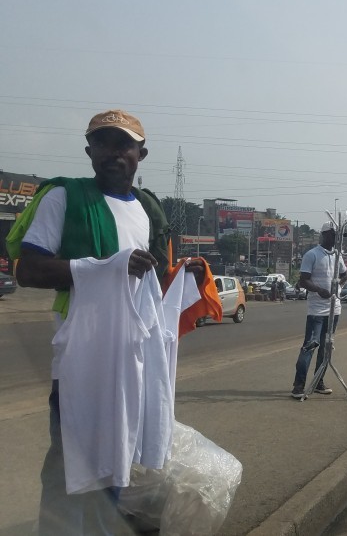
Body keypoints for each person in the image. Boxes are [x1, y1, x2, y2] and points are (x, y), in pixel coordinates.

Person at [11, 109, 205, 535]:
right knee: (70, 467)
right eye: (102, 143)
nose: (113, 152)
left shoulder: (146, 210)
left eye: (123, 144)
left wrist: (179, 279)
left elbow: (145, 281)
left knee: (115, 463)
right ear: (89, 151)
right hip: (81, 355)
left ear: (141, 153)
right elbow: (28, 270)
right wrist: (107, 267)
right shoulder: (64, 197)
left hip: (129, 360)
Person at [292, 221, 347, 398]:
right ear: (325, 235)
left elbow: (345, 274)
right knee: (310, 346)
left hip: (334, 309)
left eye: (338, 236)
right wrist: (319, 290)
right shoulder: (312, 255)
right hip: (317, 311)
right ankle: (298, 386)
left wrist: (338, 288)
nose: (337, 239)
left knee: (326, 348)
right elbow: (303, 280)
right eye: (334, 235)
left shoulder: (338, 255)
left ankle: (318, 382)